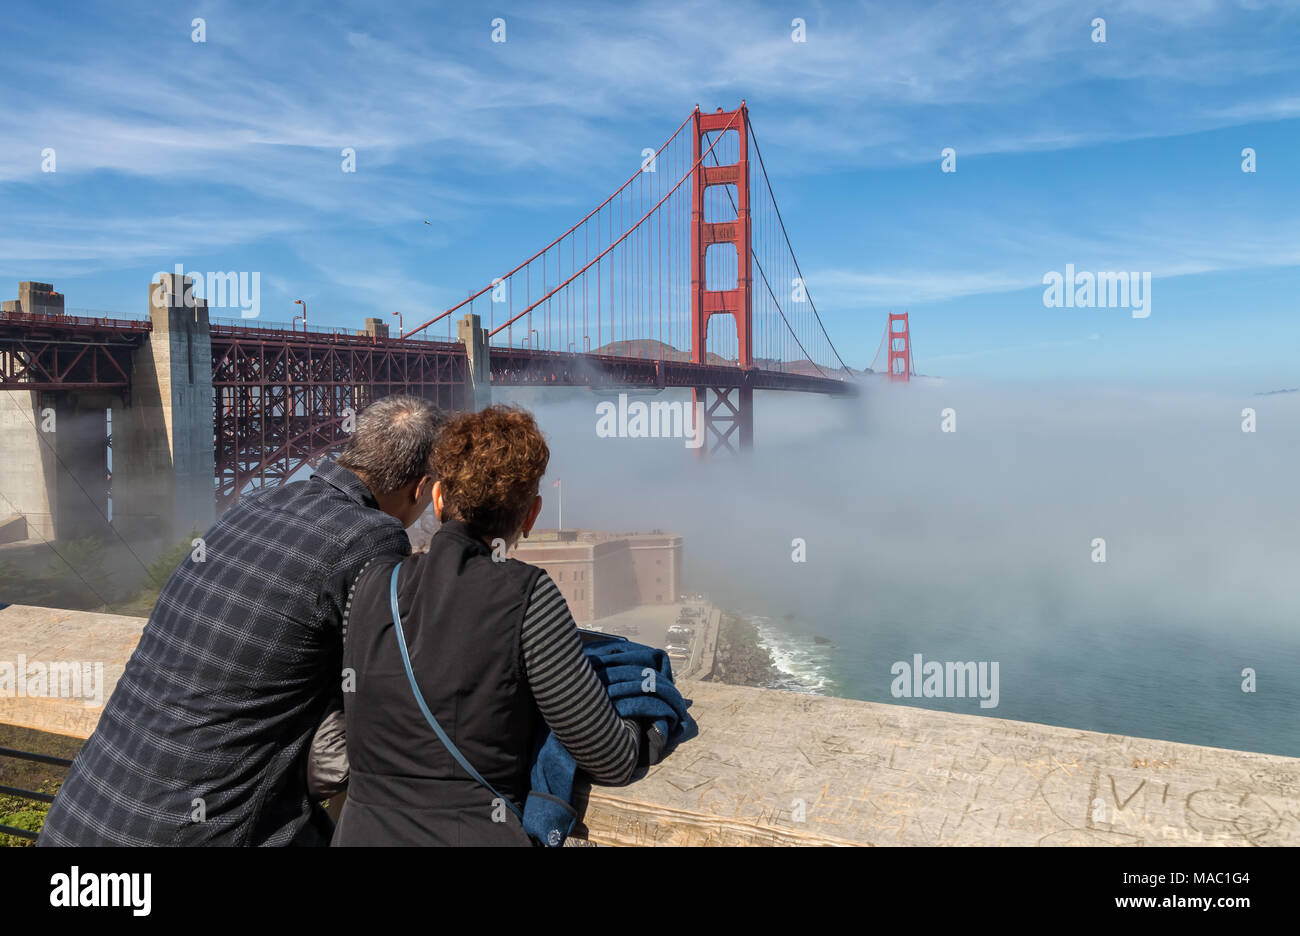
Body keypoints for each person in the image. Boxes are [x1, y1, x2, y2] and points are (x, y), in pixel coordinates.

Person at [39, 394, 443, 846]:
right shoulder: (371, 536)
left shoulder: (257, 504)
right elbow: (392, 687)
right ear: (422, 487)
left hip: (78, 818)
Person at [333, 404, 642, 846]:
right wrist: (643, 721)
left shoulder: (369, 583)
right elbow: (611, 759)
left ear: (439, 500)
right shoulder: (530, 595)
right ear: (531, 516)